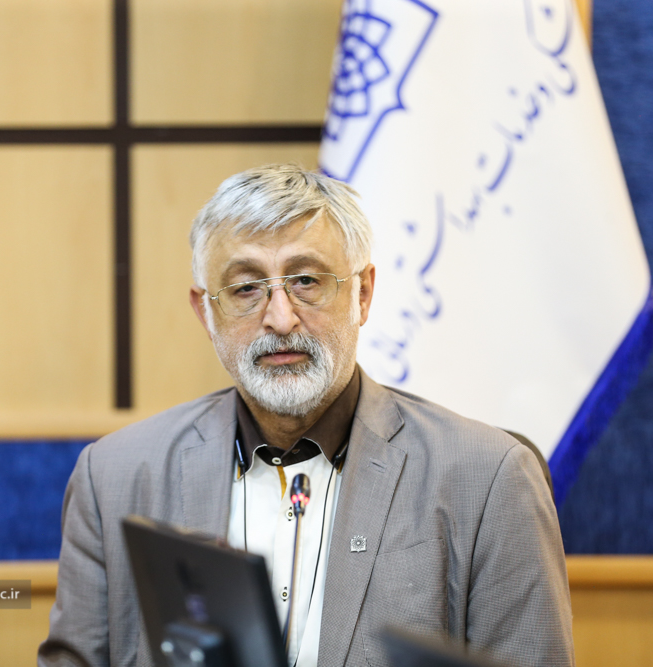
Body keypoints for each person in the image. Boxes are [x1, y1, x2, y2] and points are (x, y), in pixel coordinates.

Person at [38, 164, 574, 667]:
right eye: (245, 288)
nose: (280, 318)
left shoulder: (488, 477)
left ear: (363, 295)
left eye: (307, 281)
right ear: (206, 312)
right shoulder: (114, 476)